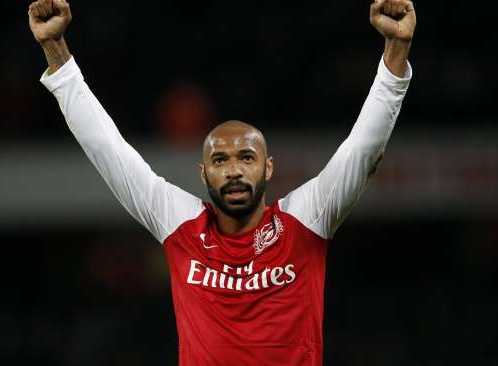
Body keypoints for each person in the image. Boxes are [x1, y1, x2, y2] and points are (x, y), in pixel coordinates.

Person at [28, 0, 415, 364]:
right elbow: (109, 151)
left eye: (247, 157)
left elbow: (363, 151)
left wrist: (396, 51)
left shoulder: (307, 218)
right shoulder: (181, 223)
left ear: (267, 169)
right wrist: (56, 51)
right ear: (203, 174)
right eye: (220, 160)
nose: (233, 169)